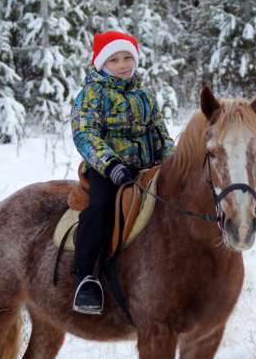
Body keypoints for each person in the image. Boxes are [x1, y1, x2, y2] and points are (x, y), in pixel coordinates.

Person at [70, 30, 175, 314]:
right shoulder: (92, 94)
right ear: (102, 64)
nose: (123, 64)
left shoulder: (145, 94)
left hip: (147, 167)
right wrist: (111, 164)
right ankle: (86, 276)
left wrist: (174, 161)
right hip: (108, 169)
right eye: (114, 59)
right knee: (101, 207)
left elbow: (159, 132)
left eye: (128, 57)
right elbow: (85, 134)